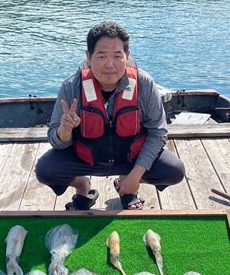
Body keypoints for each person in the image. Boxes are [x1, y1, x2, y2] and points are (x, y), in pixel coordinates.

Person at [35, 21, 185, 210]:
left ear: (127, 56)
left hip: (130, 158)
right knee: (45, 170)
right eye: (102, 56)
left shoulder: (144, 84)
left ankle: (126, 184)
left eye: (117, 56)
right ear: (89, 57)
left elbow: (158, 133)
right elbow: (56, 141)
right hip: (86, 159)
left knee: (174, 170)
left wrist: (135, 175)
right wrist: (65, 131)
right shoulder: (71, 87)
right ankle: (82, 186)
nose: (109, 64)